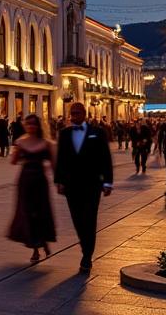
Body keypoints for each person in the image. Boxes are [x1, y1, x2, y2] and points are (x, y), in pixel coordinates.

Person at [56, 102, 113, 273]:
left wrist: (107, 182)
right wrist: (59, 180)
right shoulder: (64, 134)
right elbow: (61, 159)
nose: (74, 117)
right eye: (72, 113)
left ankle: (87, 256)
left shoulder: (98, 133)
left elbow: (105, 158)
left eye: (77, 113)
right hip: (71, 185)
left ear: (84, 114)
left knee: (89, 219)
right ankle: (85, 246)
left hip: (92, 185)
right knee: (77, 220)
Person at [8, 113, 56, 264]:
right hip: (25, 181)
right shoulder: (21, 142)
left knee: (41, 211)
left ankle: (44, 241)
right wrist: (16, 151)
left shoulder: (46, 143)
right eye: (28, 124)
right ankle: (35, 248)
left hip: (40, 181)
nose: (31, 127)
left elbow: (54, 164)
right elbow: (13, 162)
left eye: (34, 124)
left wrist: (59, 181)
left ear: (38, 126)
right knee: (27, 213)